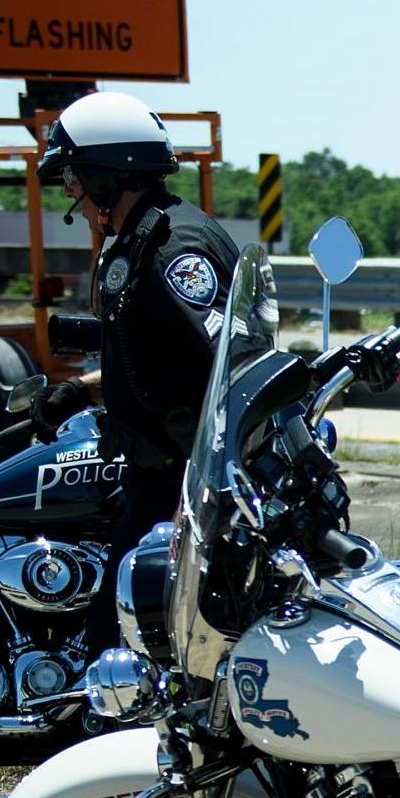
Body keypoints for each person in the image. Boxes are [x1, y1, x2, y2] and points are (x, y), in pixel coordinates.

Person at [27, 90, 245, 646]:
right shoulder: (151, 232)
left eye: (75, 174)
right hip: (167, 469)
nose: (70, 188)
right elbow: (158, 357)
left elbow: (224, 360)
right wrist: (81, 390)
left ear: (109, 172)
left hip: (179, 479)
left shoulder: (171, 248)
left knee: (116, 637)